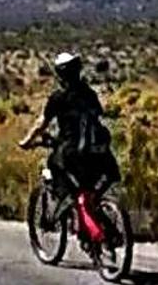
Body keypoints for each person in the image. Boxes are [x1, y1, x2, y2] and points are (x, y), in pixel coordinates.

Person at [20, 52, 119, 197]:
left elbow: (41, 123)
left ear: (60, 75)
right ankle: (94, 202)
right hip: (100, 149)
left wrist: (26, 141)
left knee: (54, 166)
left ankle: (71, 202)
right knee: (99, 181)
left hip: (72, 150)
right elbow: (97, 114)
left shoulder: (59, 97)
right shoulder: (90, 94)